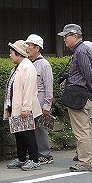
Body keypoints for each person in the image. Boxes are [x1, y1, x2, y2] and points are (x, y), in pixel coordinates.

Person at [57, 23, 92, 172]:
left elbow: (89, 74)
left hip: (79, 94)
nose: (64, 40)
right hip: (82, 93)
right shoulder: (82, 50)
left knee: (81, 130)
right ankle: (90, 158)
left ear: (75, 36)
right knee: (86, 129)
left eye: (66, 36)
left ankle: (85, 162)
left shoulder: (80, 51)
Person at [4, 40, 41, 171]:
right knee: (19, 134)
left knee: (28, 134)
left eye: (11, 53)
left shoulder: (27, 67)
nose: (10, 55)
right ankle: (22, 158)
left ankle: (34, 160)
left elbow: (29, 89)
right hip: (16, 106)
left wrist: (26, 108)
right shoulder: (18, 66)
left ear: (18, 53)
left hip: (25, 108)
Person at [25, 34, 54, 164]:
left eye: (29, 45)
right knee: (32, 129)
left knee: (40, 130)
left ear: (37, 48)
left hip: (40, 102)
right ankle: (35, 153)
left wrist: (47, 105)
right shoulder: (28, 63)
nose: (27, 48)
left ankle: (45, 155)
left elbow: (49, 86)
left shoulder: (44, 64)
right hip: (30, 103)